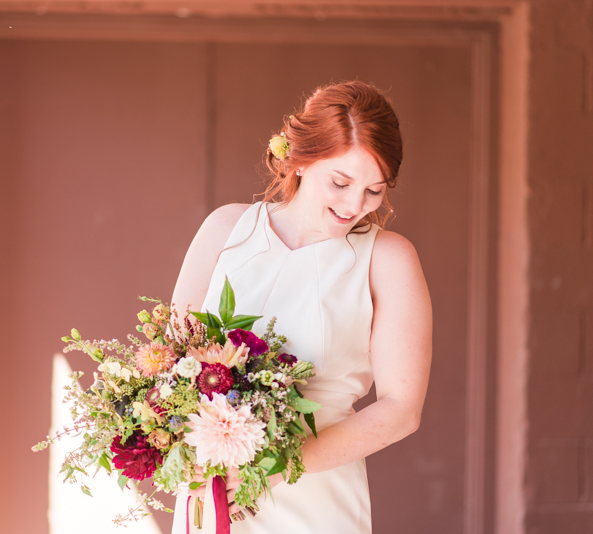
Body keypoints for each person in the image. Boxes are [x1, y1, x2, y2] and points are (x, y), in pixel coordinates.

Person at [170, 80, 432, 534]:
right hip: (212, 489)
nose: (356, 205)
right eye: (341, 182)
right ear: (302, 158)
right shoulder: (225, 229)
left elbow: (401, 409)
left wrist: (273, 464)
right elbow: (171, 362)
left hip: (315, 499)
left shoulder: (389, 259)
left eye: (374, 190)